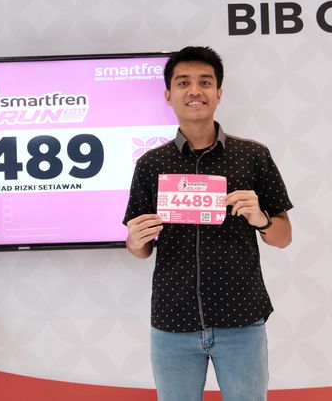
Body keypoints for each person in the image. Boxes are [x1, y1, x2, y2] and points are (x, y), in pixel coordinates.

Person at [123, 46, 293, 401]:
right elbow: (140, 249)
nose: (195, 91)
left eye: (205, 82)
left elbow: (283, 237)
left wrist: (261, 219)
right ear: (168, 95)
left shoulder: (253, 156)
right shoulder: (151, 164)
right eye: (183, 82)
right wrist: (135, 240)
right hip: (173, 322)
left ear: (219, 93)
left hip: (241, 320)